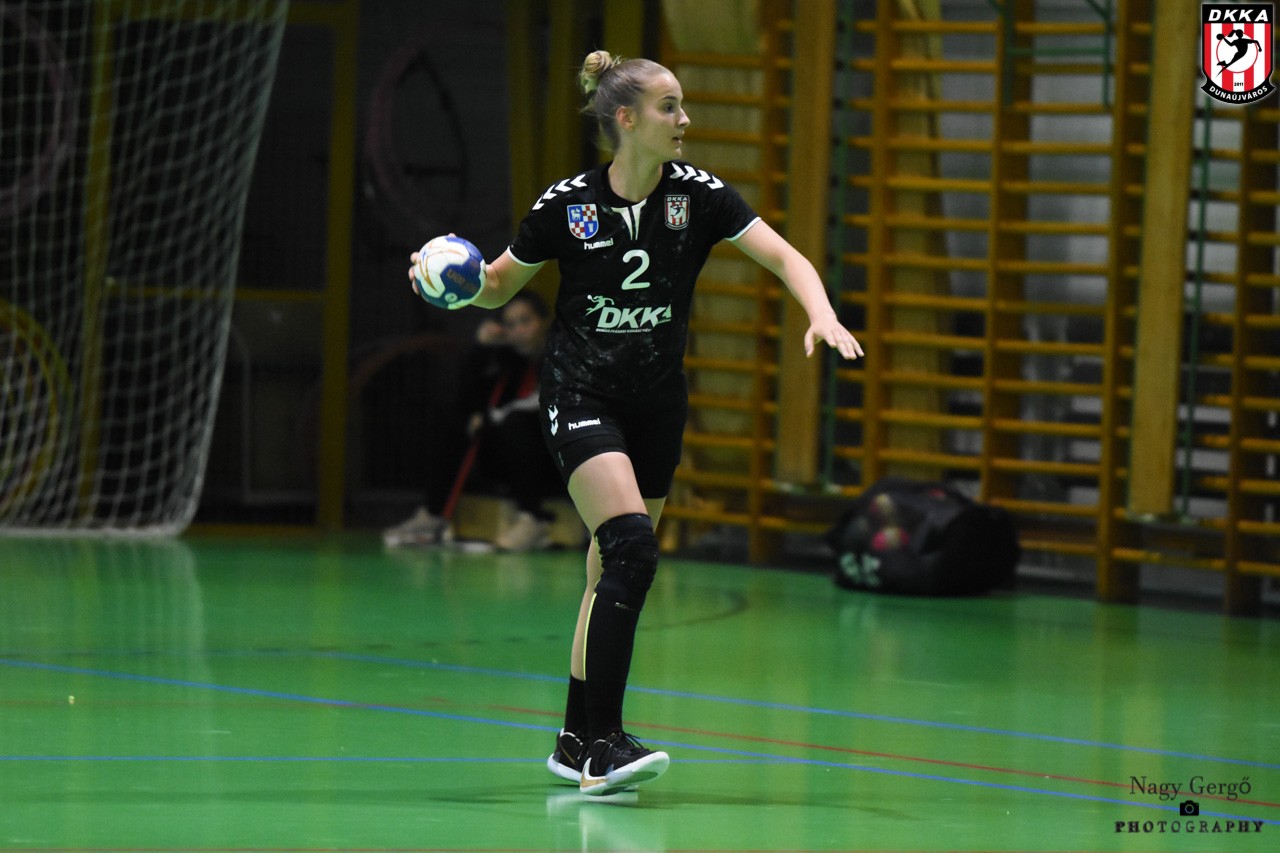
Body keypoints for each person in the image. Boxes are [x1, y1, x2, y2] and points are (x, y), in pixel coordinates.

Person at [408, 50, 864, 795]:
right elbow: (496, 285)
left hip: (656, 403)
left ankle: (572, 740)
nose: (685, 120)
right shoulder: (567, 206)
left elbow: (786, 257)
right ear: (626, 119)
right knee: (630, 548)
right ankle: (605, 746)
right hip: (581, 394)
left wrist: (821, 313)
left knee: (608, 570)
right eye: (669, 107)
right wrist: (447, 282)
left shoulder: (699, 196)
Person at [382, 290, 564, 551]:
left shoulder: (561, 354)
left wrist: (488, 419)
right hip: (508, 456)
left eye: (525, 321)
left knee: (517, 422)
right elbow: (467, 400)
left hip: (554, 455)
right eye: (511, 325)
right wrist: (481, 349)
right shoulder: (508, 359)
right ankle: (433, 514)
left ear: (544, 321)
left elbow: (539, 404)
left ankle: (533, 520)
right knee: (455, 421)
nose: (519, 331)